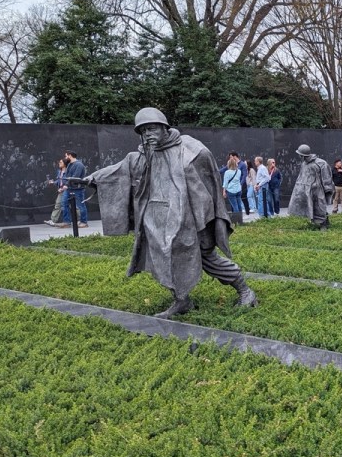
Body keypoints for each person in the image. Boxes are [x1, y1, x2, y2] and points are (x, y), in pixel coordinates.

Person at [86, 107, 257, 318]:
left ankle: (245, 290)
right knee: (164, 259)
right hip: (159, 219)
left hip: (193, 218)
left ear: (163, 126)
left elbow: (209, 182)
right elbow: (122, 168)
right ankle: (181, 300)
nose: (148, 134)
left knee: (207, 257)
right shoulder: (145, 153)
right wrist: (96, 177)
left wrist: (206, 217)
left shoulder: (192, 150)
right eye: (143, 131)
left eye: (151, 128)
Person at [288, 144, 334, 229]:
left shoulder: (321, 163)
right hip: (306, 189)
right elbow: (301, 176)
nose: (299, 156)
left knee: (320, 206)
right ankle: (318, 222)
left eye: (300, 155)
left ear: (303, 155)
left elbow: (326, 176)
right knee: (311, 207)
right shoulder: (304, 164)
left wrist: (327, 189)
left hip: (317, 189)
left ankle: (323, 224)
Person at [60, 150, 89, 228]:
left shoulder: (79, 165)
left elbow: (75, 176)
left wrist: (66, 185)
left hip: (78, 189)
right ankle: (67, 222)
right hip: (69, 188)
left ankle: (84, 222)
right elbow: (67, 175)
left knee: (80, 205)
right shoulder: (69, 164)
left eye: (66, 156)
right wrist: (65, 185)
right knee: (64, 203)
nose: (65, 158)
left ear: (70, 156)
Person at [45, 157, 67, 226]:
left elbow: (68, 181)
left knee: (74, 206)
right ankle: (53, 220)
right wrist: (53, 182)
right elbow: (59, 181)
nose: (59, 164)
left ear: (65, 164)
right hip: (61, 191)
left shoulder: (68, 171)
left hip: (67, 190)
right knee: (58, 204)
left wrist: (64, 187)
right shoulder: (59, 171)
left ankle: (80, 219)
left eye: (61, 162)